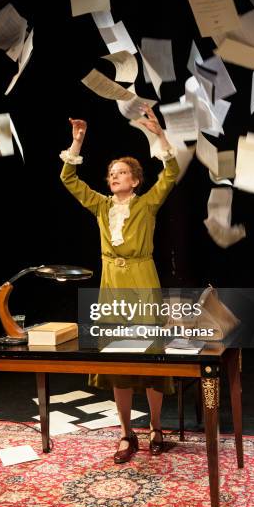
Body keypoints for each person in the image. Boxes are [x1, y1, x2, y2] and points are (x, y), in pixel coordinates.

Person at [60, 105, 179, 463]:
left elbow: (171, 172)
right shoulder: (100, 205)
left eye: (122, 172)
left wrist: (159, 134)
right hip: (112, 283)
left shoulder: (147, 204)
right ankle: (127, 434)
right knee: (118, 363)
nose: (115, 176)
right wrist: (77, 141)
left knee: (150, 362)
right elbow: (68, 179)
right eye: (112, 172)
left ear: (136, 180)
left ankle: (156, 427)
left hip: (142, 281)